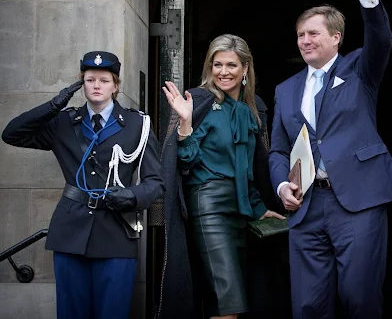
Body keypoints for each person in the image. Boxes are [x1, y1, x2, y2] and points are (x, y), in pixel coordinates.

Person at [268, 0, 392, 319]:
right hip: (307, 206)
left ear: (336, 37)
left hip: (358, 201)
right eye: (300, 35)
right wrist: (282, 184)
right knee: (308, 305)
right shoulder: (285, 89)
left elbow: (382, 37)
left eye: (313, 33)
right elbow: (278, 148)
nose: (305, 40)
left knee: (360, 298)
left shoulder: (360, 69)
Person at [1, 51, 165, 319]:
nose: (96, 85)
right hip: (70, 233)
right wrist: (54, 105)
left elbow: (156, 182)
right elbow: (11, 134)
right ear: (82, 84)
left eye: (104, 79)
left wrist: (132, 196)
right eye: (90, 80)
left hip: (117, 233)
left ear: (115, 85)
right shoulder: (63, 121)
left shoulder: (138, 124)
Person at [158, 33, 285, 319]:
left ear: (245, 69)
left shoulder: (253, 109)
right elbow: (185, 161)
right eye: (217, 65)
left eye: (231, 65)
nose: (223, 72)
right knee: (229, 304)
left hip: (240, 212)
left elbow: (249, 169)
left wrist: (258, 207)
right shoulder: (198, 101)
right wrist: (185, 123)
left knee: (232, 302)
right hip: (210, 208)